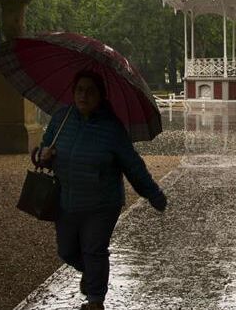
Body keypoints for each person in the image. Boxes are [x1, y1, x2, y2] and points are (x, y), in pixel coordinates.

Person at [39, 70, 167, 310]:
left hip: (102, 204)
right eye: (79, 90)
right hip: (66, 200)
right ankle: (92, 274)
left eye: (90, 91)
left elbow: (133, 166)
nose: (83, 96)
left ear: (101, 96)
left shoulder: (112, 128)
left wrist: (153, 194)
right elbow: (43, 150)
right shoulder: (61, 119)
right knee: (66, 251)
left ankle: (95, 301)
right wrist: (41, 155)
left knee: (94, 250)